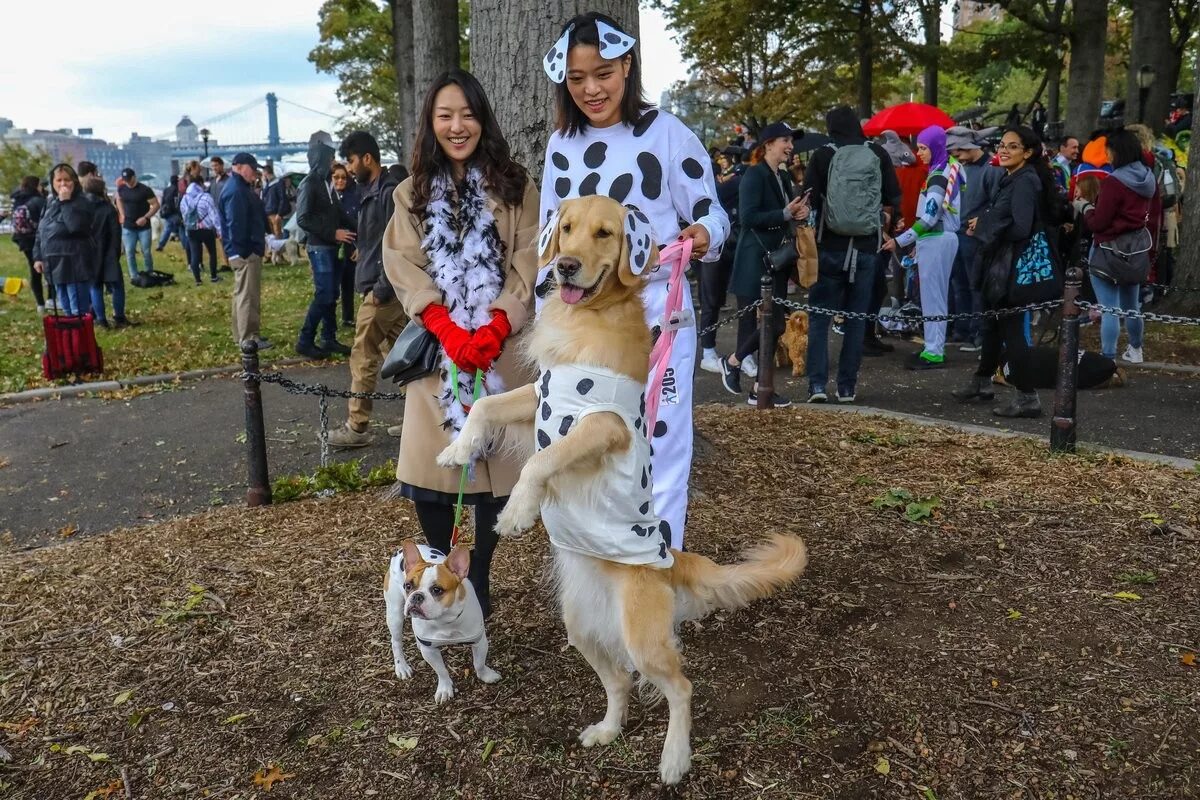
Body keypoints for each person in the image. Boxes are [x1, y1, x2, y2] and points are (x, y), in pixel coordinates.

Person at [537, 11, 730, 550]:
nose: (591, 89)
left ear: (627, 65)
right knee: (583, 441)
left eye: (603, 73)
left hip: (654, 316)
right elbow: (550, 237)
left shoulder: (668, 133)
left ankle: (656, 571)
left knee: (660, 443)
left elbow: (716, 214)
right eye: (577, 79)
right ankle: (601, 571)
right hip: (580, 324)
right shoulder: (561, 145)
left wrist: (700, 234)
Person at [381, 69, 539, 617]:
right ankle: (441, 571)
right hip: (438, 356)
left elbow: (528, 258)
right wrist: (446, 326)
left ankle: (481, 576)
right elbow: (402, 263)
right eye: (445, 115)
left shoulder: (514, 185)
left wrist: (498, 324)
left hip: (503, 350)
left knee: (498, 477)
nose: (457, 126)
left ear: (483, 120)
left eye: (467, 114)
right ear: (430, 123)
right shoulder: (411, 192)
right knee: (434, 476)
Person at [953, 126, 1061, 418]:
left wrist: (983, 227)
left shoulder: (1025, 181)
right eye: (1002, 145)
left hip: (1011, 268)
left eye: (1013, 147)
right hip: (998, 263)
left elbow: (1022, 227)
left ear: (1027, 153)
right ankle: (981, 382)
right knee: (991, 326)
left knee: (1012, 331)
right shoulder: (1010, 178)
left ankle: (1028, 397)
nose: (1003, 150)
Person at [802, 106, 901, 403]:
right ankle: (847, 387)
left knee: (819, 318)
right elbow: (893, 197)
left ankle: (817, 386)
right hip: (866, 248)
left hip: (829, 247)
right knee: (857, 319)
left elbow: (807, 199)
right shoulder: (878, 153)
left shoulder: (823, 155)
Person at [326, 132, 408, 448]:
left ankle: (357, 427)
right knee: (403, 357)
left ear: (367, 159)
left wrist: (380, 289)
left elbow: (398, 244)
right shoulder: (371, 191)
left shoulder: (387, 193)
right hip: (382, 287)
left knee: (363, 355)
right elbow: (378, 239)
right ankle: (421, 415)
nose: (347, 168)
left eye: (351, 161)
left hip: (381, 292)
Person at [720, 122, 807, 406]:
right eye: (785, 140)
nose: (790, 146)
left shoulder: (780, 177)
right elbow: (747, 217)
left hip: (776, 260)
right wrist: (783, 214)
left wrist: (797, 213)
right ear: (768, 144)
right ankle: (736, 365)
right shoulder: (755, 175)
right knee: (760, 323)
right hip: (753, 259)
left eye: (790, 140)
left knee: (776, 325)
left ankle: (755, 381)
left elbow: (781, 214)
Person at [883, 125, 965, 370]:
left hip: (936, 238)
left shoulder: (939, 175)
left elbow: (929, 218)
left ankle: (934, 350)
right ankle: (933, 346)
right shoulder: (945, 170)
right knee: (932, 297)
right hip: (935, 239)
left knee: (933, 298)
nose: (919, 153)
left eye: (923, 148)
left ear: (936, 147)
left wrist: (900, 240)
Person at [1077, 128, 1160, 364]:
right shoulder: (1147, 177)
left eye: (1109, 151)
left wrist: (1085, 208)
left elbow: (1100, 223)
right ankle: (1136, 350)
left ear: (1118, 151)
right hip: (1135, 249)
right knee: (1132, 306)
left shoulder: (1114, 182)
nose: (1108, 156)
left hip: (1107, 250)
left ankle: (1108, 357)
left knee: (1109, 308)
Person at [295, 132, 355, 359]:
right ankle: (305, 340)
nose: (332, 162)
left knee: (331, 294)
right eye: (329, 157)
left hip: (330, 246)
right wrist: (333, 232)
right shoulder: (310, 184)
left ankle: (328, 338)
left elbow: (338, 212)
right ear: (320, 157)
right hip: (320, 247)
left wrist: (360, 229)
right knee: (325, 294)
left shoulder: (324, 182)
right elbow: (303, 218)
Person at [947, 128, 1004, 350]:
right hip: (957, 233)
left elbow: (997, 203)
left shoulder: (991, 170)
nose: (956, 155)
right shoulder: (961, 167)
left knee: (975, 285)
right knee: (959, 284)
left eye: (959, 150)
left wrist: (981, 221)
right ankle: (962, 329)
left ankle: (978, 332)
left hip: (975, 236)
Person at [219, 152, 271, 350]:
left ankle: (240, 334)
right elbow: (236, 223)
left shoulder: (235, 187)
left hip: (240, 249)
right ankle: (249, 338)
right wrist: (245, 250)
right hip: (245, 251)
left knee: (241, 294)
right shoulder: (237, 191)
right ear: (239, 166)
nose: (255, 173)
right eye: (252, 168)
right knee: (248, 296)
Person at [32, 163, 96, 316]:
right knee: (65, 309)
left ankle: (81, 339)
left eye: (67, 180)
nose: (63, 184)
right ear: (53, 183)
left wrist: (66, 202)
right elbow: (41, 230)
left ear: (74, 181)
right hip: (54, 262)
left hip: (74, 263)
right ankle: (70, 339)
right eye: (59, 180)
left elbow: (76, 227)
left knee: (78, 311)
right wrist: (38, 257)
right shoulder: (49, 202)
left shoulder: (83, 201)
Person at [82, 175, 130, 328]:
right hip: (108, 250)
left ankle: (101, 319)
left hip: (89, 251)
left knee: (95, 286)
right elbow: (115, 232)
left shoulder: (80, 207)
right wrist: (115, 252)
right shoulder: (108, 208)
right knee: (117, 286)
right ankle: (119, 317)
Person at [9, 175, 48, 312]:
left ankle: (40, 304)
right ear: (36, 186)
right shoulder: (38, 200)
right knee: (49, 269)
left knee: (34, 271)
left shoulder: (18, 199)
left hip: (23, 240)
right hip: (39, 239)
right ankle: (51, 299)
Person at [115, 167, 158, 280]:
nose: (127, 182)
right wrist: (122, 214)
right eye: (125, 180)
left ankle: (149, 272)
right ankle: (134, 275)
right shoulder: (122, 189)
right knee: (129, 252)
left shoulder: (145, 190)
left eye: (129, 179)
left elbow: (156, 205)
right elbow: (118, 199)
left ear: (134, 177)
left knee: (146, 251)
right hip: (128, 226)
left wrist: (146, 217)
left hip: (144, 226)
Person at [332, 162, 361, 327]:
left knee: (349, 282)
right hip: (332, 245)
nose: (340, 181)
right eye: (336, 177)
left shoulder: (354, 195)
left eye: (343, 177)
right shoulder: (327, 196)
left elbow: (360, 222)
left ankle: (348, 317)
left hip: (351, 245)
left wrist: (360, 246)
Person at [181, 172, 222, 284]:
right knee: (212, 253)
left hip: (191, 229)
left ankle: (197, 280)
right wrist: (219, 229)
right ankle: (213, 277)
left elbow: (184, 216)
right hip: (206, 230)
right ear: (200, 184)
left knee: (195, 254)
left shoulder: (184, 198)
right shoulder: (206, 197)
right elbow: (214, 214)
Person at [208, 156, 232, 272]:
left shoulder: (228, 180)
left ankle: (232, 260)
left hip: (225, 213)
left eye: (216, 165)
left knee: (228, 237)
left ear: (222, 166)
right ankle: (225, 262)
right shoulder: (213, 182)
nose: (214, 168)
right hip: (215, 214)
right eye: (212, 166)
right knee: (220, 239)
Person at [156, 175, 185, 252]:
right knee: (181, 229)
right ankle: (185, 246)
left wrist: (162, 210)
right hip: (175, 213)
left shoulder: (166, 190)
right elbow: (177, 203)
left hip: (167, 213)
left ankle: (160, 245)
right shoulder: (177, 190)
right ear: (177, 181)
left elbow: (163, 201)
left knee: (167, 229)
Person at [261, 164, 290, 238]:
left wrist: (279, 213)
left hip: (275, 212)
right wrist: (264, 183)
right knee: (270, 235)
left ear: (266, 173)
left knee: (277, 234)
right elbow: (263, 195)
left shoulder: (278, 182)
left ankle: (278, 249)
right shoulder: (267, 184)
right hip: (267, 211)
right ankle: (273, 248)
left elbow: (282, 198)